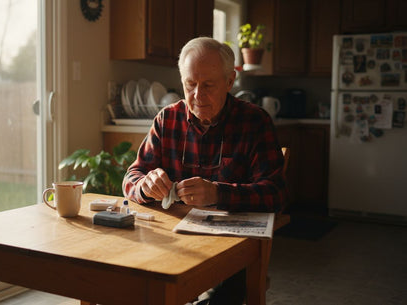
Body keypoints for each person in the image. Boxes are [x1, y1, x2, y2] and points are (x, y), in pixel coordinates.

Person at [122, 37, 287, 304]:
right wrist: (145, 185)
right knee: (130, 282)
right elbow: (132, 176)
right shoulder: (167, 119)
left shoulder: (255, 121)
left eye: (208, 85)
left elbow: (275, 195)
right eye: (190, 84)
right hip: (173, 242)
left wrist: (217, 194)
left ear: (230, 81)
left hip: (232, 251)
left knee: (222, 295)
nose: (197, 96)